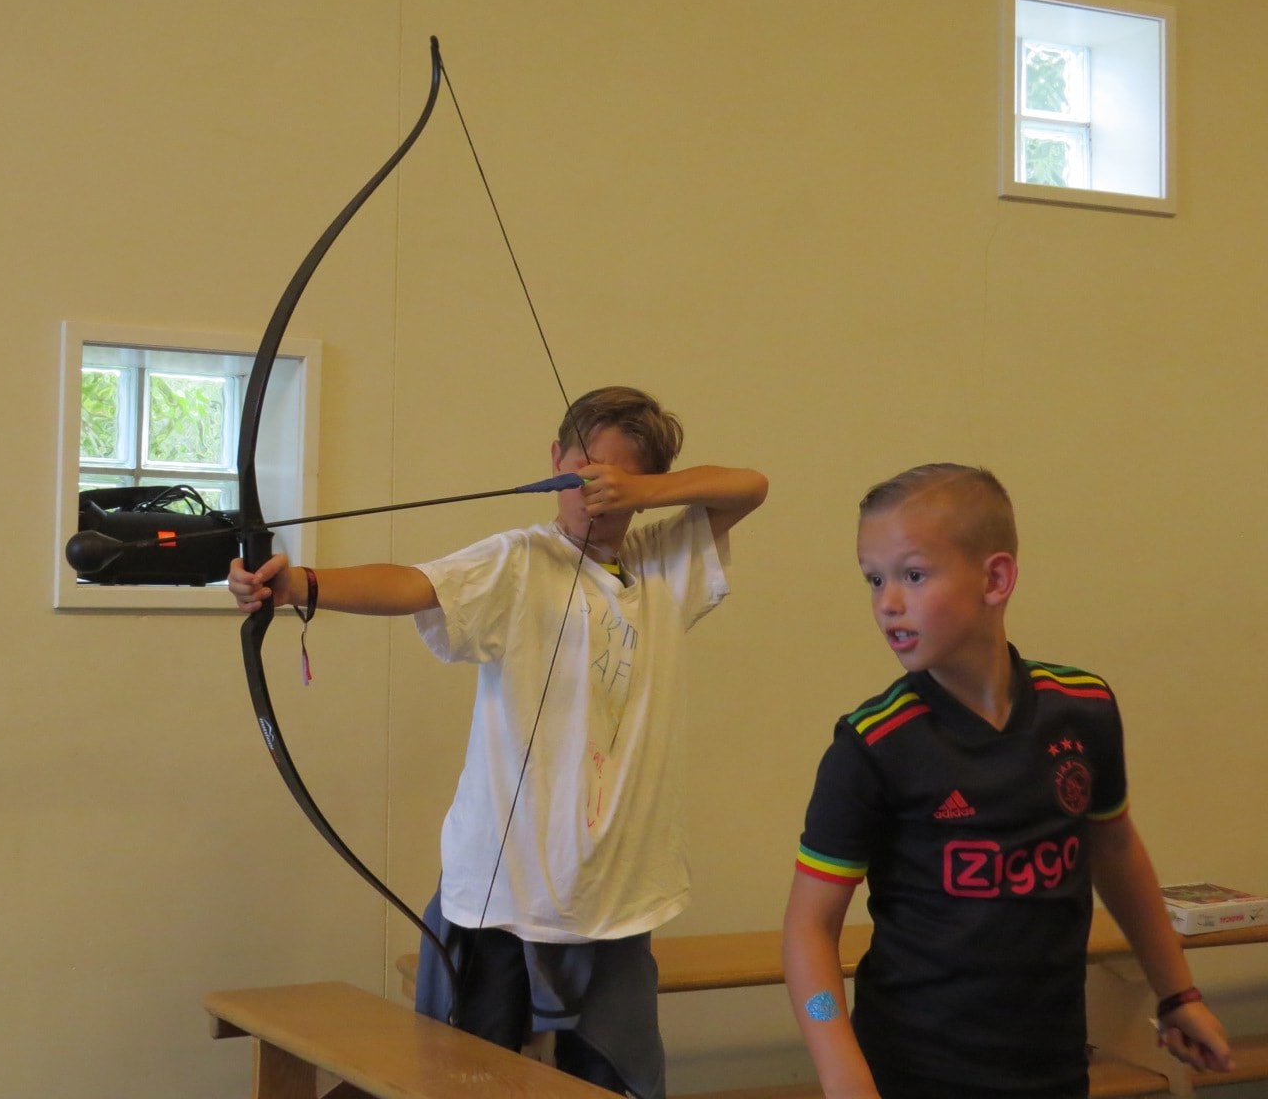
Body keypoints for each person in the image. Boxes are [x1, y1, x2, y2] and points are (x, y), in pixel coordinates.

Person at [230, 386, 767, 1098]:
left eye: (615, 481)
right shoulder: (518, 561)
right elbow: (413, 585)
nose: (593, 494)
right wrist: (300, 583)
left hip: (620, 898)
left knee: (616, 1083)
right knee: (467, 1082)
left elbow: (750, 486)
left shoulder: (667, 562)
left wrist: (643, 491)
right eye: (581, 472)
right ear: (554, 460)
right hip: (501, 896)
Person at [782, 463, 1232, 1099]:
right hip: (913, 1074)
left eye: (914, 575)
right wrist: (842, 1073)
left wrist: (1177, 992)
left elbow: (1114, 849)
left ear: (995, 579)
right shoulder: (873, 744)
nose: (888, 603)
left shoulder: (1084, 707)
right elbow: (808, 930)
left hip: (1053, 1066)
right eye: (874, 579)